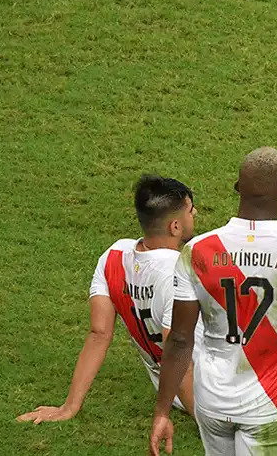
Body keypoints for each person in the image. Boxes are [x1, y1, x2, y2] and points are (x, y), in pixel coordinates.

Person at [149, 147, 277, 456]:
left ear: (237, 187)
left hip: (211, 401)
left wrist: (162, 412)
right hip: (269, 405)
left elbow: (179, 339)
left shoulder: (198, 251)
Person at [18, 175, 199, 423]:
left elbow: (98, 334)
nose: (195, 213)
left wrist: (68, 407)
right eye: (190, 210)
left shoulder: (113, 256)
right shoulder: (181, 273)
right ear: (175, 226)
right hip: (212, 393)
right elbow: (178, 357)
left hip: (171, 390)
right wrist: (209, 425)